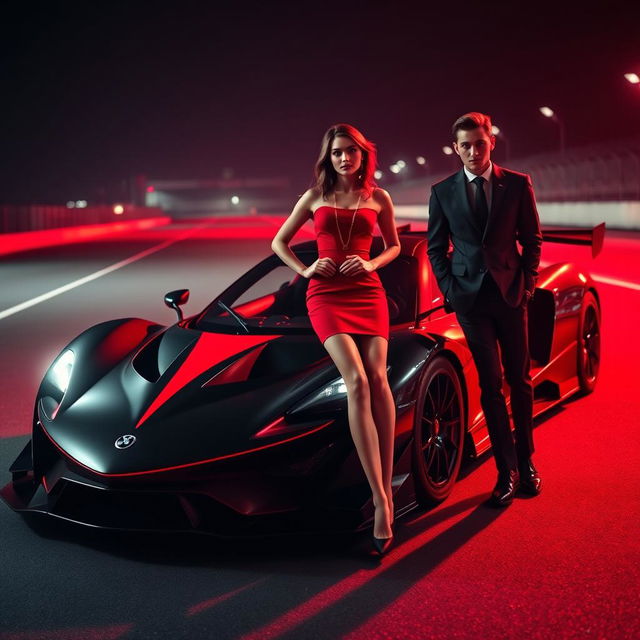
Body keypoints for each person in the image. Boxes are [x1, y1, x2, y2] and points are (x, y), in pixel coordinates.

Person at [272, 123, 400, 553]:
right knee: (357, 382)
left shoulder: (378, 197)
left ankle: (386, 484)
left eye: (351, 152)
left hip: (367, 292)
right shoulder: (313, 198)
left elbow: (394, 246)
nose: (344, 158)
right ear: (328, 157)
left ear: (364, 155)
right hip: (325, 295)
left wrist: (371, 265)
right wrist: (306, 270)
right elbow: (279, 242)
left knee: (379, 380)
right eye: (337, 153)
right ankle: (381, 501)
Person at [427, 112, 543, 507]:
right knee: (490, 386)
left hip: (511, 295)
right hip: (470, 301)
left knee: (520, 380)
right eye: (465, 145)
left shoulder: (517, 184)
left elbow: (532, 239)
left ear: (491, 142)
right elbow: (434, 247)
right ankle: (505, 471)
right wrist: (450, 289)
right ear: (455, 148)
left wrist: (527, 286)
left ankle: (527, 463)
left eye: (480, 143)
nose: (473, 151)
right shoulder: (442, 191)